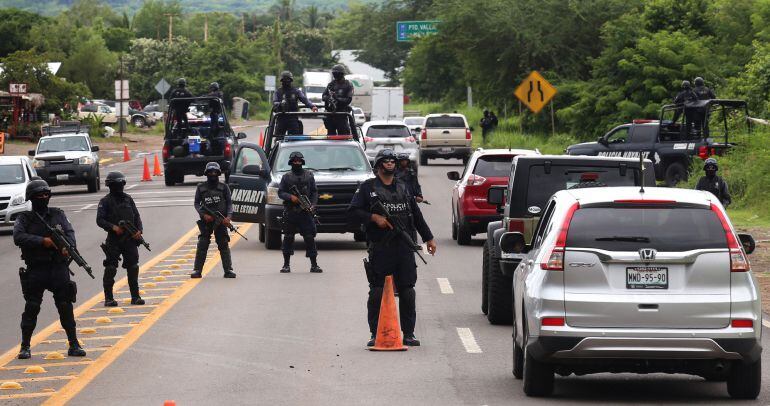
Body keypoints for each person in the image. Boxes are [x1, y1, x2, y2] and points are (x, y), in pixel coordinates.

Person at [348, 149, 437, 347]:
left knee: (407, 291)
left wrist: (429, 238)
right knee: (378, 291)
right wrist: (374, 217)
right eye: (386, 161)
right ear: (379, 165)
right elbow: (353, 211)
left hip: (404, 248)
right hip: (381, 248)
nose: (390, 164)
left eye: (392, 161)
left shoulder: (404, 188)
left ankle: (409, 333)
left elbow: (417, 216)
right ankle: (376, 333)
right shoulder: (367, 188)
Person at [14, 180, 86, 359]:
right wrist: (42, 241)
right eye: (40, 195)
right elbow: (18, 237)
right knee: (32, 307)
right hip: (36, 269)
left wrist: (67, 247)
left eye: (46, 195)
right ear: (31, 197)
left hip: (58, 268)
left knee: (65, 306)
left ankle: (74, 344)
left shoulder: (58, 214)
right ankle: (25, 346)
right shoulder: (24, 218)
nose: (44, 198)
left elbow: (70, 234)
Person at [96, 171, 144, 307]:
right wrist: (113, 227)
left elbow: (137, 216)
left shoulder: (128, 199)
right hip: (114, 240)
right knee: (111, 268)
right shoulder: (105, 201)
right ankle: (108, 298)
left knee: (133, 267)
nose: (118, 187)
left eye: (120, 184)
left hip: (130, 239)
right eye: (115, 184)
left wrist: (139, 231)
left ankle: (135, 297)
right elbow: (99, 220)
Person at [278, 151, 322, 273]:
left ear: (302, 162)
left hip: (305, 213)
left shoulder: (309, 175)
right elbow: (280, 192)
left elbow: (314, 192)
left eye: (298, 161)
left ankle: (314, 264)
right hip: (291, 212)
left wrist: (312, 205)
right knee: (288, 237)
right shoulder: (286, 177)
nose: (297, 163)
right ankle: (286, 265)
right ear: (291, 163)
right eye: (294, 161)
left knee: (309, 238)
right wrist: (290, 197)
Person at [191, 162, 236, 279]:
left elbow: (230, 204)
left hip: (220, 221)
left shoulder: (224, 187)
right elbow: (196, 203)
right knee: (202, 244)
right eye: (210, 172)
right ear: (206, 173)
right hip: (207, 221)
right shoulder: (201, 188)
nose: (213, 174)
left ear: (218, 173)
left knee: (223, 244)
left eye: (215, 172)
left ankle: (228, 270)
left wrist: (228, 218)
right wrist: (203, 214)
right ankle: (197, 270)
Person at [273, 71, 317, 136]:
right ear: (281, 81)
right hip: (281, 117)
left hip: (292, 118)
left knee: (294, 139)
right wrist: (280, 104)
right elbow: (274, 102)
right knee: (278, 138)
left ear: (291, 80)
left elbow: (304, 99)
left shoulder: (296, 91)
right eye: (284, 80)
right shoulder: (278, 92)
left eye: (288, 80)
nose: (286, 82)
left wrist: (312, 106)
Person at [322, 64, 354, 135]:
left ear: (341, 74)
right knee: (330, 136)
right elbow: (323, 96)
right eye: (334, 73)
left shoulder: (348, 85)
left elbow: (348, 100)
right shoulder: (331, 84)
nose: (335, 75)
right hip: (330, 115)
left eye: (337, 73)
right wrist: (329, 99)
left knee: (343, 136)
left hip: (341, 115)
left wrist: (337, 99)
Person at [207, 82, 224, 146]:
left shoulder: (218, 94)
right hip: (216, 113)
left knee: (215, 127)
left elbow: (212, 96)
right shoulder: (217, 94)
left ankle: (211, 138)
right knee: (215, 126)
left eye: (211, 88)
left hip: (216, 113)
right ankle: (211, 137)